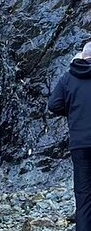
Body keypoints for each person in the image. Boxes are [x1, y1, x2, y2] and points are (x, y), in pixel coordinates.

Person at [49, 42, 91, 230]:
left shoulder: (68, 78)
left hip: (80, 144)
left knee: (83, 194)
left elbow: (53, 105)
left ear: (82, 57)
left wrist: (73, 111)